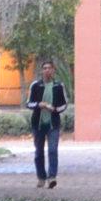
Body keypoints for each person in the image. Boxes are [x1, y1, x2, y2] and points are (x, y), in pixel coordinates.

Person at [26, 60, 66, 188]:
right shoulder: (35, 85)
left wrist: (55, 109)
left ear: (53, 70)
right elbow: (29, 103)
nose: (47, 70)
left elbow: (64, 104)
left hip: (53, 124)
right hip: (38, 125)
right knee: (39, 152)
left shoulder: (58, 86)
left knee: (53, 150)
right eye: (45, 68)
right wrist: (39, 104)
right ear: (41, 71)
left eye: (49, 68)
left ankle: (52, 177)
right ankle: (41, 177)